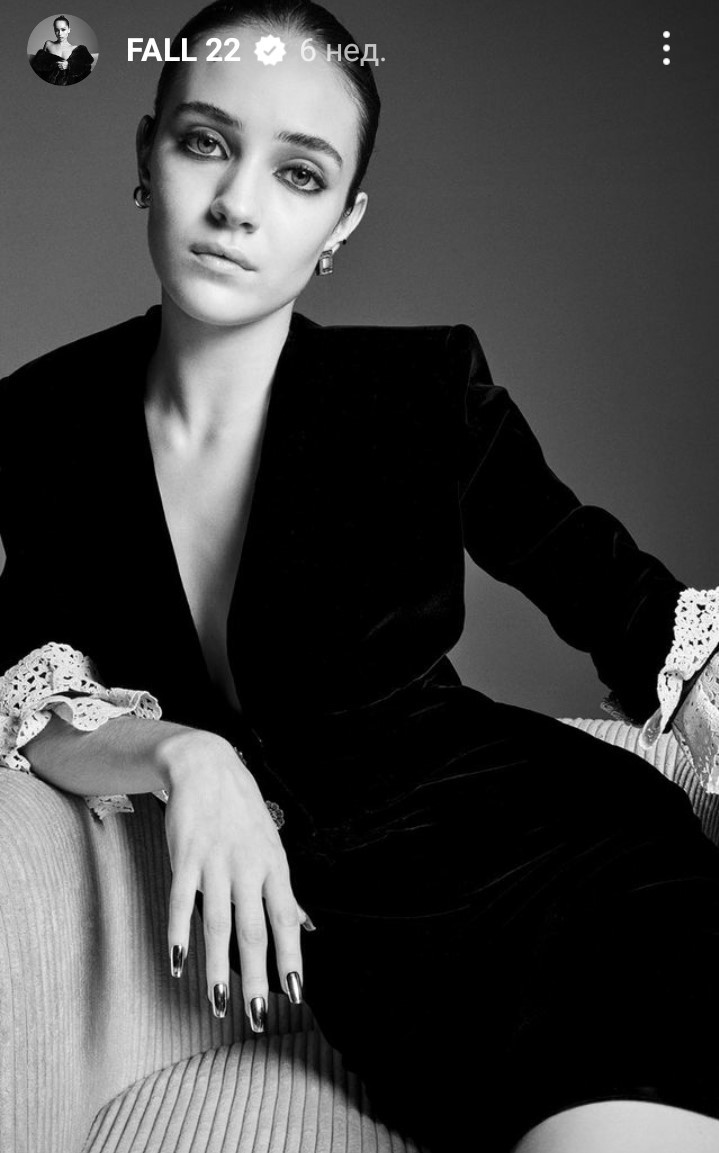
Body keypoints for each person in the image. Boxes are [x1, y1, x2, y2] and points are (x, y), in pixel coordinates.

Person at [3, 1, 719, 1150]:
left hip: (588, 879)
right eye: (204, 142)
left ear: (342, 221)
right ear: (147, 154)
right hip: (394, 978)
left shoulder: (421, 392)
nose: (237, 203)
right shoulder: (38, 422)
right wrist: (186, 755)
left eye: (298, 173)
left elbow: (638, 617)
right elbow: (23, 683)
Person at [30, 14, 93, 86]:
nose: (60, 33)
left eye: (63, 29)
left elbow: (85, 68)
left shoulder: (76, 49)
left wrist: (69, 65)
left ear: (69, 30)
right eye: (57, 30)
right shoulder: (48, 44)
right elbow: (40, 66)